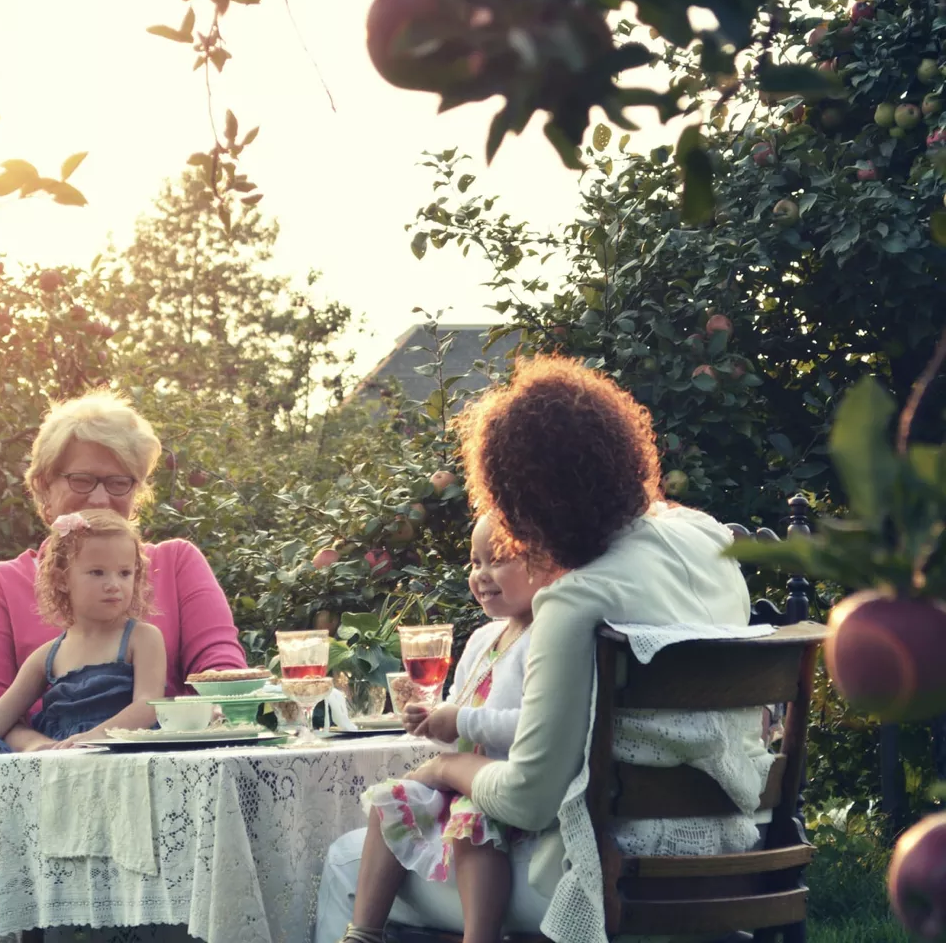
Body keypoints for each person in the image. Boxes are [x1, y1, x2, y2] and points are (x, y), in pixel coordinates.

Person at [315, 355, 772, 943]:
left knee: (345, 863)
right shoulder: (708, 538)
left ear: (526, 501)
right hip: (728, 855)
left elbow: (528, 801)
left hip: (600, 878)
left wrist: (445, 764)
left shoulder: (576, 599)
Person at [0, 390, 245, 934]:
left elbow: (219, 664)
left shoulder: (175, 563)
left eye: (120, 481)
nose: (102, 498)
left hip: (159, 778)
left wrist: (208, 704)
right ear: (44, 487)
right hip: (42, 791)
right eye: (82, 480)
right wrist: (43, 749)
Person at [0, 510, 166, 941]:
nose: (115, 583)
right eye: (97, 572)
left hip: (104, 758)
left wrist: (89, 738)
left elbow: (147, 705)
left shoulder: (141, 637)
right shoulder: (50, 654)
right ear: (62, 580)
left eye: (126, 572)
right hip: (51, 761)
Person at [334, 514, 560, 943]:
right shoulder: (482, 638)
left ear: (546, 564)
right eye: (475, 563)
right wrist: (433, 723)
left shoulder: (546, 638)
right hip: (460, 778)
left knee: (472, 826)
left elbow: (535, 724)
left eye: (497, 561)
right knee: (389, 803)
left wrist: (459, 719)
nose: (482, 576)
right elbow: (459, 714)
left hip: (505, 784)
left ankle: (480, 936)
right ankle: (363, 932)